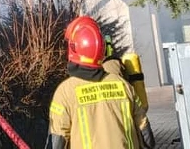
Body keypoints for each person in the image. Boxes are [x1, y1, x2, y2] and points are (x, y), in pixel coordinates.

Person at [49, 17, 145, 149]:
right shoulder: (123, 84)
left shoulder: (65, 92)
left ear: (73, 49)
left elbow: (57, 141)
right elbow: (147, 136)